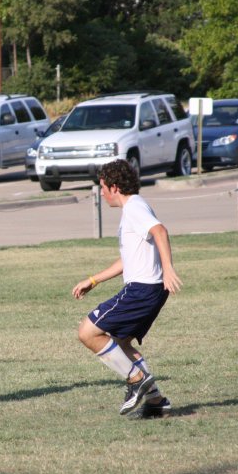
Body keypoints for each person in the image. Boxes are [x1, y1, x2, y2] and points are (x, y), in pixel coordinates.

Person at [72, 159, 182, 418]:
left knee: (87, 332)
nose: (101, 192)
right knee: (119, 343)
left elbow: (160, 231)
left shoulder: (134, 208)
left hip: (142, 289)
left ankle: (136, 380)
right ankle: (156, 401)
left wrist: (168, 268)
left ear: (114, 187)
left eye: (102, 187)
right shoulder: (134, 208)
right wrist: (94, 280)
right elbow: (129, 259)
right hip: (150, 290)